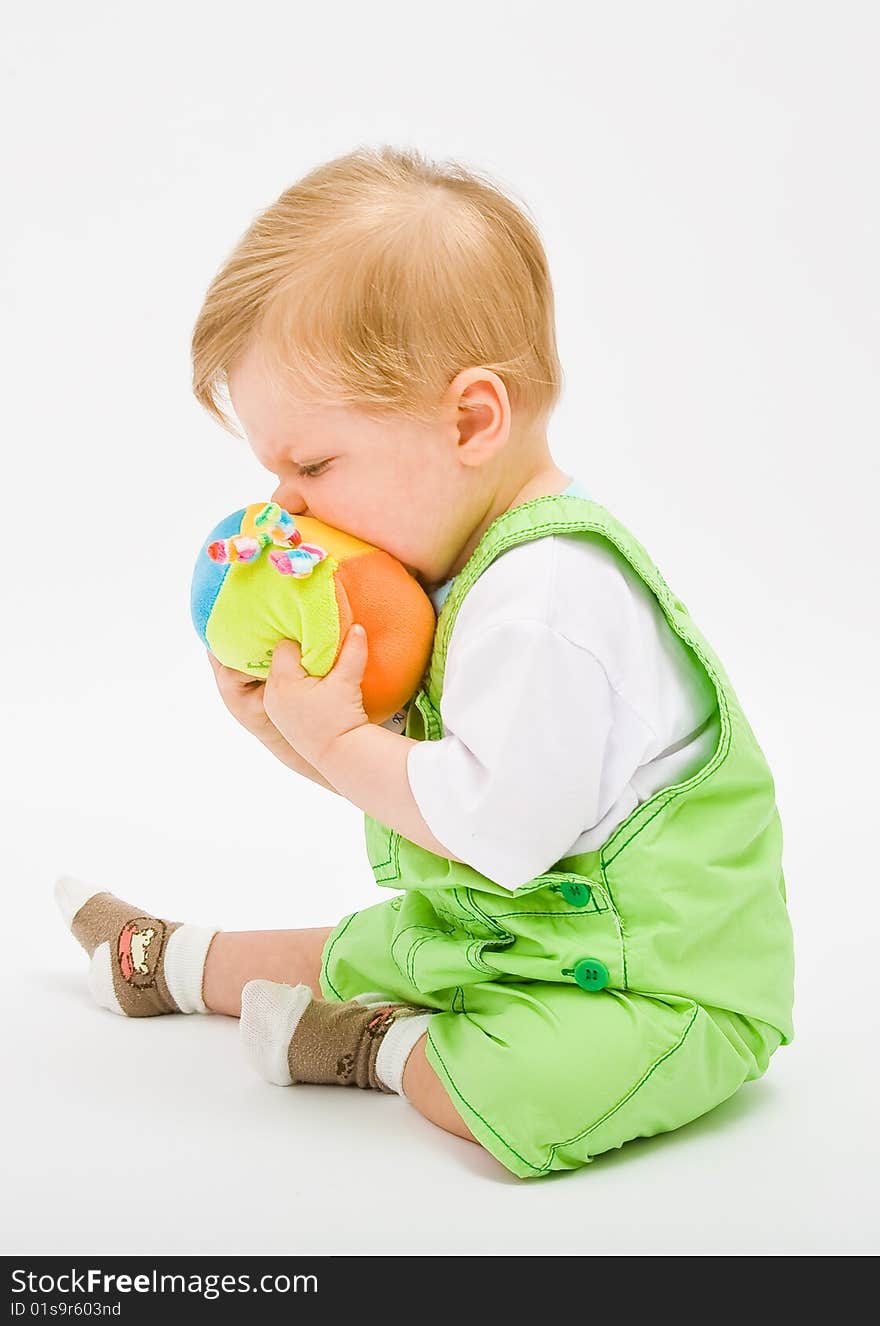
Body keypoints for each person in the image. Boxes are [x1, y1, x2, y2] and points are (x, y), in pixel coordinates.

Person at [55, 144, 794, 1179]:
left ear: (471, 421)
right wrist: (288, 732)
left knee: (514, 1085)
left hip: (652, 988)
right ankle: (170, 960)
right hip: (508, 935)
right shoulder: (448, 574)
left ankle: (368, 1043)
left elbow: (495, 832)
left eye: (312, 464)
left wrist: (339, 738)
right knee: (380, 942)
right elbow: (426, 796)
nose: (286, 510)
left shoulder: (544, 599)